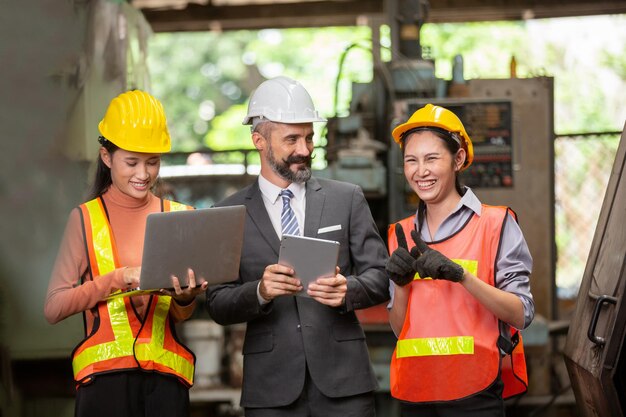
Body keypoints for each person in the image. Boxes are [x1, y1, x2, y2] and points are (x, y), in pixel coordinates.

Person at [206, 76, 390, 417]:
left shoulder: (345, 199)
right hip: (271, 389)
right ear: (258, 140)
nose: (304, 150)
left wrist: (348, 289)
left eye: (308, 137)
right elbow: (218, 303)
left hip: (345, 384)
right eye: (291, 139)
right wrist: (260, 291)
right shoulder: (228, 214)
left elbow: (381, 276)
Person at [44, 90, 208, 417]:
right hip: (103, 389)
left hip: (166, 387)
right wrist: (119, 278)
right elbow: (54, 307)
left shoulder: (181, 215)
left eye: (152, 162)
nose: (143, 174)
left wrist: (186, 298)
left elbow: (181, 315)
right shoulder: (85, 219)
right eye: (131, 162)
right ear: (107, 157)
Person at [385, 104, 534, 417]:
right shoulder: (399, 233)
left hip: (475, 392)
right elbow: (401, 331)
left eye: (432, 158)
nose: (420, 171)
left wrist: (462, 277)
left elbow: (521, 314)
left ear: (459, 159)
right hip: (415, 392)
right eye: (411, 160)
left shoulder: (495, 224)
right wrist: (400, 286)